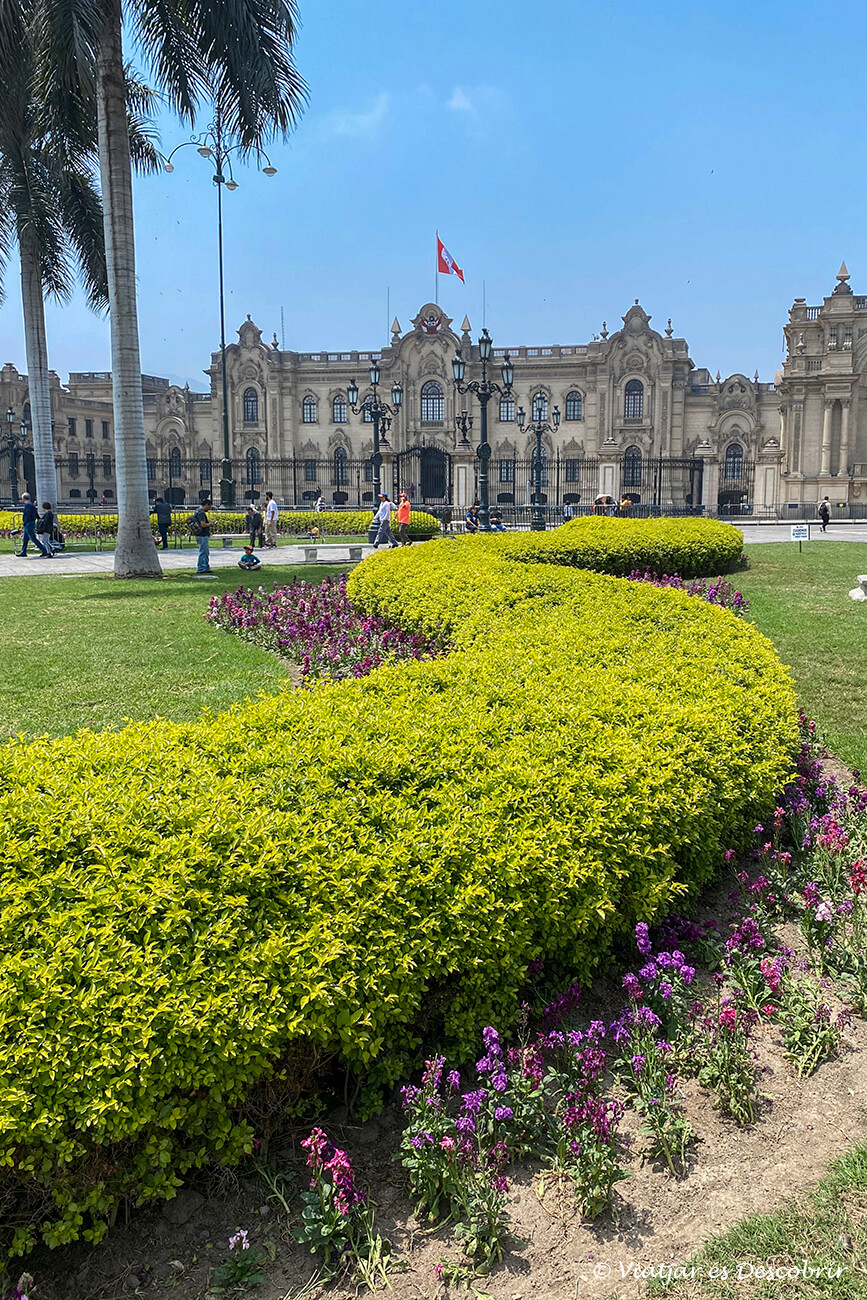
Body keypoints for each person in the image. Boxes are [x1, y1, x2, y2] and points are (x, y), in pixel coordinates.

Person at [191, 496, 213, 575]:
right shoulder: (201, 513)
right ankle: (201, 568)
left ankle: (206, 567)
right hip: (202, 535)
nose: (209, 508)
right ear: (206, 505)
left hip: (200, 534)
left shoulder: (197, 511)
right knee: (203, 552)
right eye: (209, 506)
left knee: (205, 552)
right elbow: (203, 525)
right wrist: (210, 524)